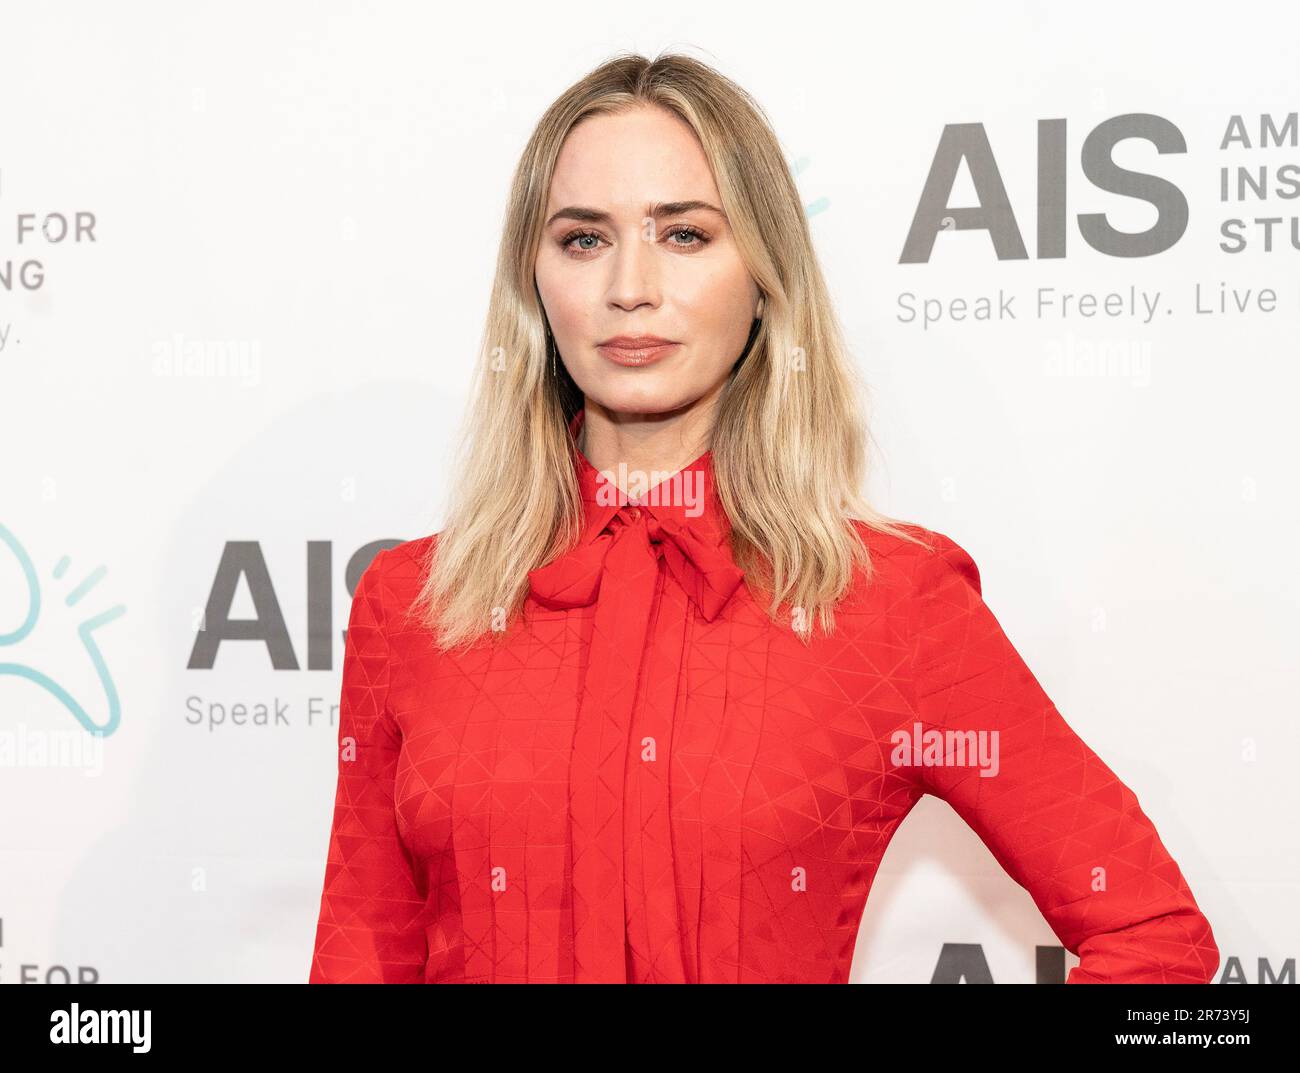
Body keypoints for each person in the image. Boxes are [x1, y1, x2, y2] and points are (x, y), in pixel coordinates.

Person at [308, 51, 1218, 984]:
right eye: (584, 238)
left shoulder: (891, 602)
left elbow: (1155, 937)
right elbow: (359, 953)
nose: (631, 285)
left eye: (686, 235)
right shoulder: (412, 601)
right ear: (534, 283)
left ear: (764, 274)